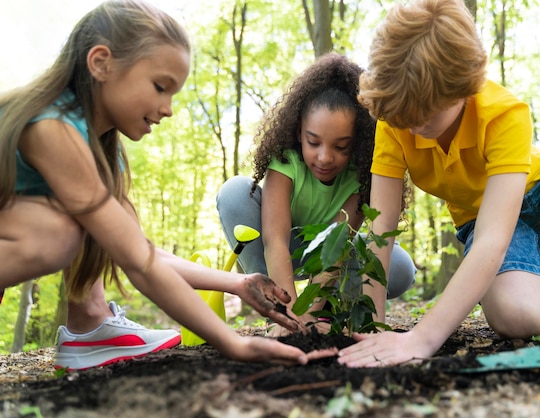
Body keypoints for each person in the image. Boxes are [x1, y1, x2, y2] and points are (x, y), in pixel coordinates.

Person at [0, 0, 336, 371]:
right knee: (57, 235)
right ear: (101, 63)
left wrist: (237, 284)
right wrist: (233, 345)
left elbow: (141, 251)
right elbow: (137, 263)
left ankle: (93, 326)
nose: (169, 108)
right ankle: (93, 328)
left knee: (75, 229)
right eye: (161, 87)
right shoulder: (51, 129)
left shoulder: (101, 153)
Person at [337, 0, 540, 368]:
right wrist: (373, 329)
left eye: (426, 113)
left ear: (464, 88)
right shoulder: (396, 120)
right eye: (403, 116)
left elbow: (492, 240)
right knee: (521, 317)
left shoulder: (503, 112)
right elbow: (381, 230)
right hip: (482, 215)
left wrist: (423, 338)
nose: (413, 126)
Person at [217, 53, 417, 337]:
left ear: (356, 143)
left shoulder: (361, 177)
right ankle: (273, 307)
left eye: (341, 147)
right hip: (281, 248)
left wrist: (310, 312)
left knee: (399, 268)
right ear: (299, 133)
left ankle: (328, 313)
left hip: (332, 255)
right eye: (314, 142)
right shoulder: (286, 161)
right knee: (234, 192)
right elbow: (274, 240)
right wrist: (289, 314)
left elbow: (334, 249)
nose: (325, 157)